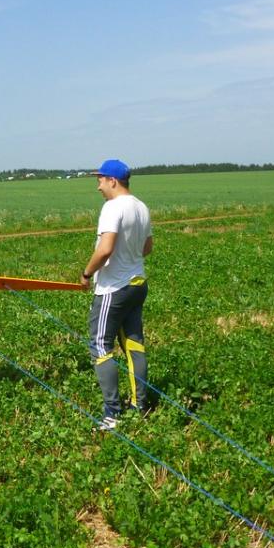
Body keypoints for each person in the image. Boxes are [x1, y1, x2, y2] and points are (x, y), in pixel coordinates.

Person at [80, 159, 153, 432]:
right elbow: (147, 247)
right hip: (138, 283)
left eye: (100, 180)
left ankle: (112, 414)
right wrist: (130, 257)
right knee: (134, 344)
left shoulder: (112, 207)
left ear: (113, 180)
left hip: (114, 288)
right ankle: (139, 406)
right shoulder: (141, 207)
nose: (98, 186)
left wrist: (86, 273)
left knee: (100, 346)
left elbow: (105, 248)